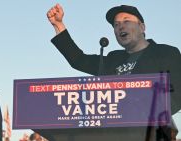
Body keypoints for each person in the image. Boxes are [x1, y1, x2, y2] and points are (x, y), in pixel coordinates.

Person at [47, 3, 181, 141]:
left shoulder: (166, 53)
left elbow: (177, 93)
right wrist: (58, 25)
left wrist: (146, 111)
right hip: (115, 134)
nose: (120, 26)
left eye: (126, 21)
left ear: (142, 27)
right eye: (116, 25)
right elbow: (79, 60)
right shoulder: (113, 59)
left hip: (154, 133)